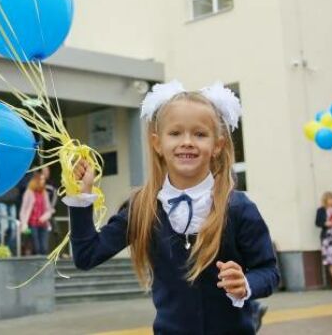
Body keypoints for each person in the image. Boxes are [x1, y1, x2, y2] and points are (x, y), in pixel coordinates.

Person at [66, 82, 279, 334]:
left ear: (217, 145)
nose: (187, 142)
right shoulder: (143, 207)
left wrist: (246, 283)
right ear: (157, 143)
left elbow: (269, 271)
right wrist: (81, 197)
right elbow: (87, 255)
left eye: (199, 134)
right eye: (175, 133)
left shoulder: (238, 207)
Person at [19, 171, 53, 256]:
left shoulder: (44, 193)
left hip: (43, 223)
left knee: (44, 248)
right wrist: (24, 224)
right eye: (41, 179)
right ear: (36, 180)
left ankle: (44, 266)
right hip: (32, 224)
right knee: (36, 248)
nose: (43, 181)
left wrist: (44, 217)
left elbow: (49, 209)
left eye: (43, 179)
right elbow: (23, 209)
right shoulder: (29, 192)